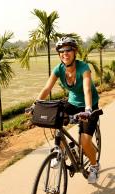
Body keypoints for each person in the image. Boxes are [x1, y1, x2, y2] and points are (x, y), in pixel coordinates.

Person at [34, 36, 100, 184]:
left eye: (68, 49)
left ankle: (95, 166)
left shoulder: (83, 68)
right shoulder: (59, 69)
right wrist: (36, 105)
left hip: (89, 105)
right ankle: (61, 151)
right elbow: (47, 88)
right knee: (55, 118)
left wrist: (88, 110)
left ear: (74, 52)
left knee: (85, 141)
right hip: (72, 103)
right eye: (62, 51)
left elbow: (87, 90)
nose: (65, 53)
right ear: (59, 54)